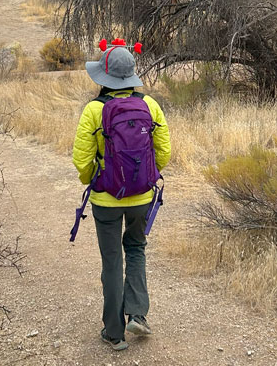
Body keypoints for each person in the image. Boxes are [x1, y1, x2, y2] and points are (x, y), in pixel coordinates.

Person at [72, 40, 171, 351]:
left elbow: (81, 159)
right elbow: (164, 152)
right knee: (137, 248)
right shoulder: (150, 106)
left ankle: (114, 333)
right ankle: (138, 314)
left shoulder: (93, 110)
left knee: (112, 260)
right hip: (143, 197)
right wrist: (144, 177)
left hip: (106, 200)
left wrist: (95, 180)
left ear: (104, 77)